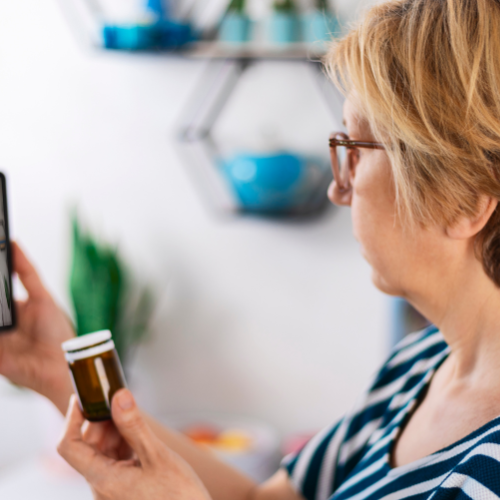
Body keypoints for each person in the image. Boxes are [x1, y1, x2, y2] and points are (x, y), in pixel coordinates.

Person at [2, 0, 500, 497]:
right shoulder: (419, 366)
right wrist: (62, 373)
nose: (337, 189)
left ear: (464, 201)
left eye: (356, 150)